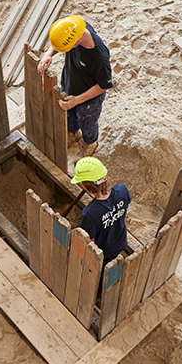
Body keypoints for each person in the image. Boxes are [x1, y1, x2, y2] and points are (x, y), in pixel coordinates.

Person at [38, 15, 113, 157]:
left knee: (87, 122)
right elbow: (59, 41)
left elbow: (103, 86)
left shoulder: (99, 57)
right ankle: (73, 133)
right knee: (69, 114)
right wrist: (48, 54)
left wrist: (77, 100)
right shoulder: (75, 27)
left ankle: (90, 142)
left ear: (76, 41)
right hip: (70, 82)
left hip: (89, 97)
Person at [71, 157, 130, 266]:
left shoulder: (89, 213)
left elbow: (89, 242)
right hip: (121, 242)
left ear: (86, 186)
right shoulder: (122, 190)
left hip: (104, 253)